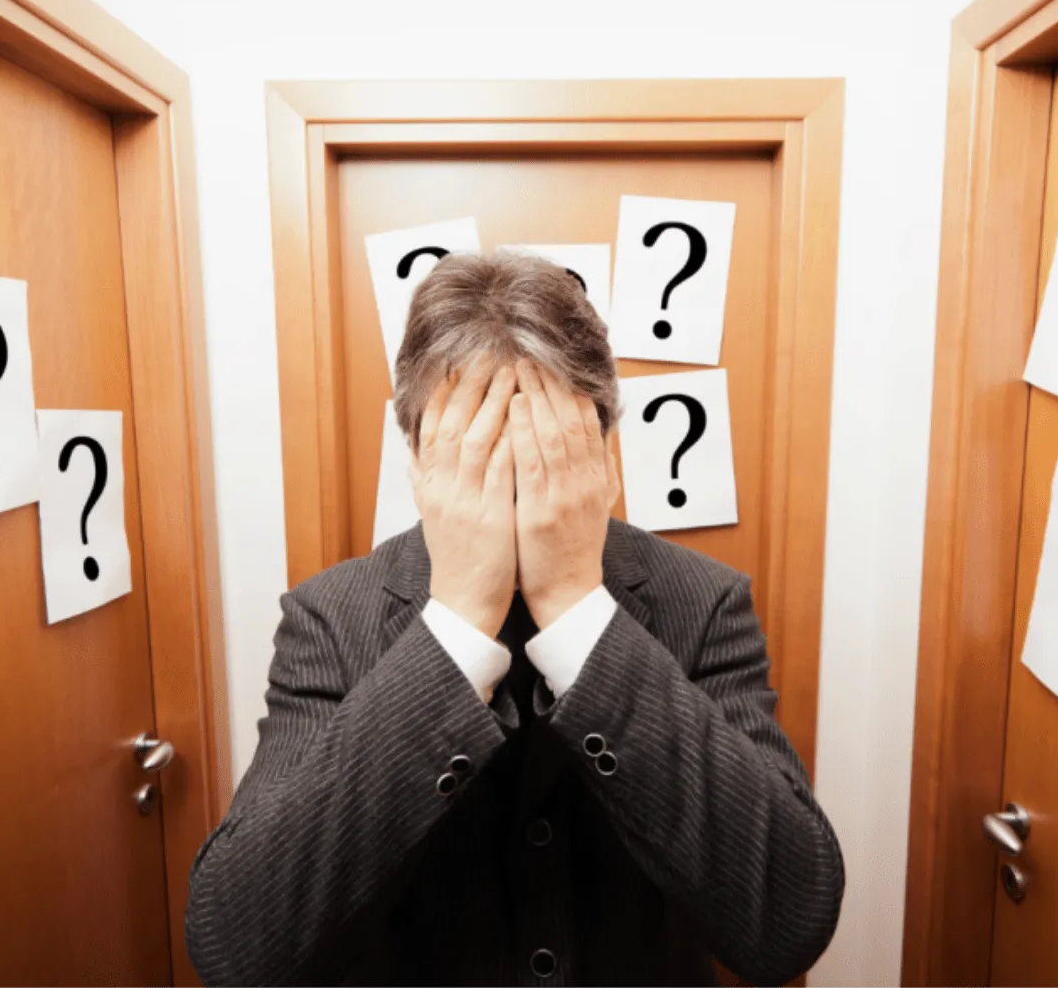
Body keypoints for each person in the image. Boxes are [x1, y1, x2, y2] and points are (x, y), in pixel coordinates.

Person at [184, 251, 845, 987]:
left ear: (606, 457)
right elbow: (239, 950)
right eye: (477, 448)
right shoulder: (333, 618)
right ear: (417, 459)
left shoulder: (701, 602)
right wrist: (458, 622)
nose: (512, 479)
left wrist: (576, 605)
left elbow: (788, 919)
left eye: (543, 448)